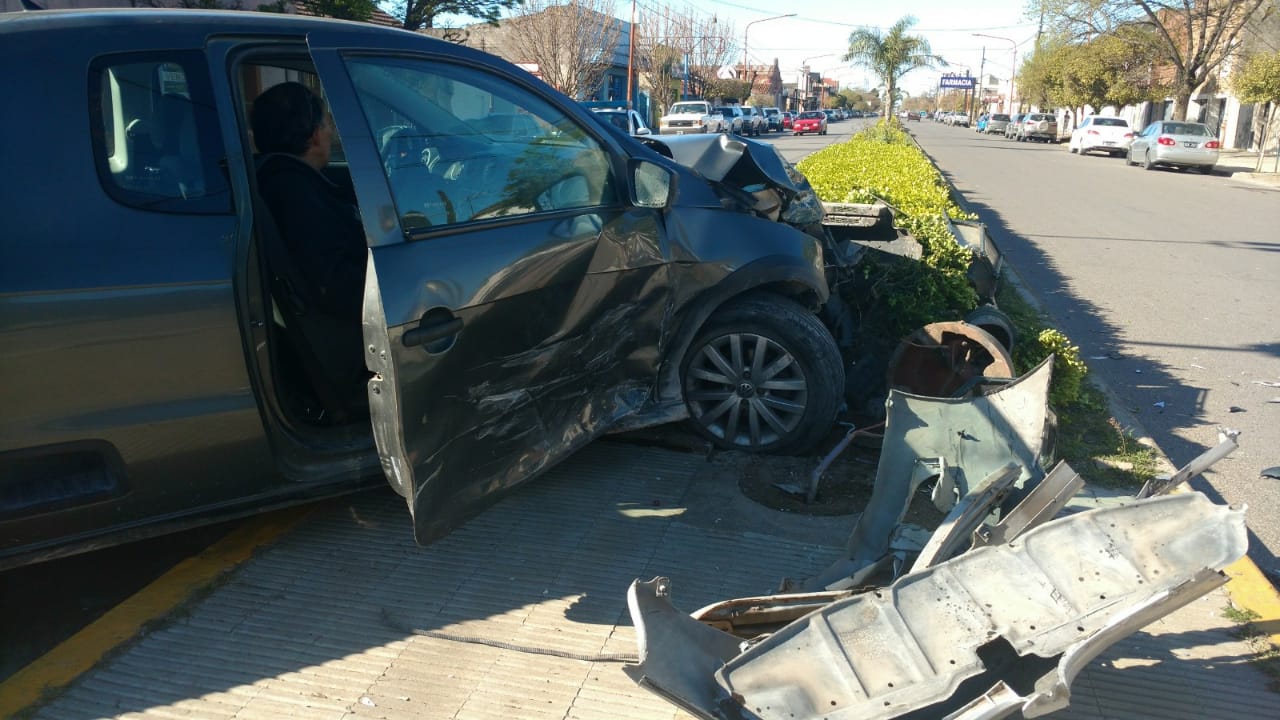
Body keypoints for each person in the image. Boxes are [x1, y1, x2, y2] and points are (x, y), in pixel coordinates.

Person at [251, 81, 368, 420]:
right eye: (328, 125)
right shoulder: (297, 196)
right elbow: (335, 288)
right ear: (315, 135)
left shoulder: (277, 180)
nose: (331, 133)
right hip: (347, 348)